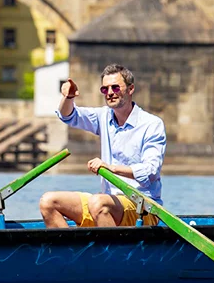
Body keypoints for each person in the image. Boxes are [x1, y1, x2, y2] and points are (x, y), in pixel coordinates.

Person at [40, 64, 166, 228]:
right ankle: (74, 252)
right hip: (106, 202)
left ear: (130, 89)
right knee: (48, 202)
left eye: (115, 87)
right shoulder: (103, 116)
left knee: (98, 203)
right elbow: (68, 115)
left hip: (143, 206)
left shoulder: (152, 124)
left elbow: (150, 172)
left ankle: (113, 253)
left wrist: (111, 168)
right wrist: (68, 97)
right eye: (105, 89)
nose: (110, 93)